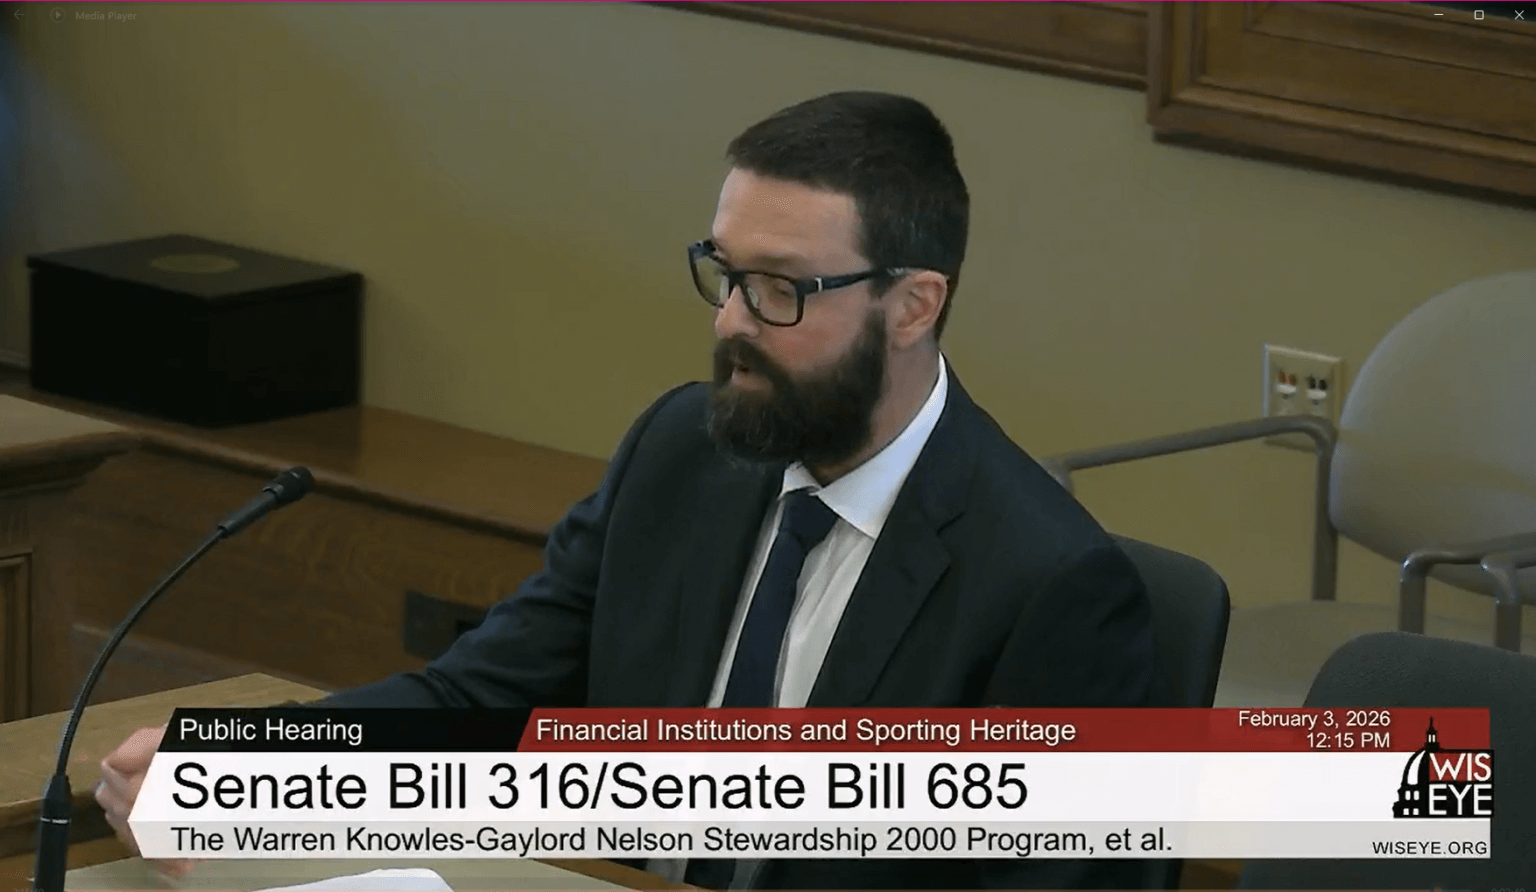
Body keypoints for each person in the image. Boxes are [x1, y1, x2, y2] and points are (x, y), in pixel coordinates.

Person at [96, 91, 1154, 889]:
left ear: (915, 305)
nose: (731, 320)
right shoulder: (684, 455)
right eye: (723, 272)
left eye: (780, 288)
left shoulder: (1051, 587)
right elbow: (477, 702)